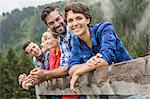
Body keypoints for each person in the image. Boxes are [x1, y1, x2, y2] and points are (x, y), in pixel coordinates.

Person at [64, 2, 132, 93]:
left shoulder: (104, 28)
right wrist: (89, 64)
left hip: (132, 81)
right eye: (70, 20)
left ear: (87, 19)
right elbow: (71, 68)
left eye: (79, 18)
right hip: (108, 89)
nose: (75, 23)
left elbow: (105, 59)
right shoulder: (76, 42)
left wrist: (78, 72)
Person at [30, 5, 74, 84]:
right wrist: (37, 76)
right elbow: (64, 66)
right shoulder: (62, 40)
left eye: (57, 19)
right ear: (48, 26)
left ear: (63, 16)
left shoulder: (74, 32)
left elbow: (73, 65)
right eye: (51, 23)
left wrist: (46, 74)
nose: (56, 24)